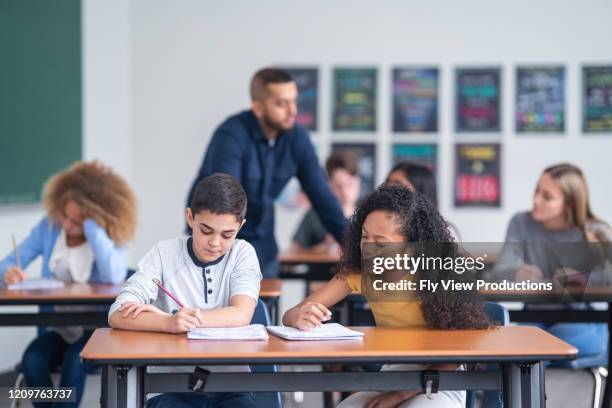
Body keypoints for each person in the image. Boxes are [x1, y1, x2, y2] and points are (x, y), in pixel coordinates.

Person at [283, 183, 494, 408]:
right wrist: (298, 316)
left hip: (441, 377)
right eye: (364, 237)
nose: (368, 248)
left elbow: (457, 355)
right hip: (395, 373)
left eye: (381, 242)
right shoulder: (359, 274)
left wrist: (399, 396)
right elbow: (290, 315)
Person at [109, 173, 261, 408]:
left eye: (227, 235)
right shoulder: (163, 254)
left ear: (240, 226)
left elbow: (241, 314)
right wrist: (168, 324)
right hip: (171, 388)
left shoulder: (243, 254)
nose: (215, 242)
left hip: (232, 386)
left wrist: (172, 318)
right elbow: (118, 313)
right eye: (206, 230)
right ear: (190, 217)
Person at [0, 160, 137, 408]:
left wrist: (94, 229)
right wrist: (8, 272)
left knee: (77, 362)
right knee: (33, 360)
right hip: (57, 328)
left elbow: (114, 276)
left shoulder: (104, 235)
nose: (66, 225)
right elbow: (6, 263)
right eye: (65, 215)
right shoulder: (49, 227)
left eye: (77, 221)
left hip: (96, 330)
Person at [186, 68, 347, 277]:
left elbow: (324, 199)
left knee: (263, 307)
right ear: (258, 107)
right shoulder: (231, 135)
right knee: (217, 308)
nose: (293, 111)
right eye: (282, 103)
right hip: (216, 244)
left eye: (294, 101)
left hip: (262, 249)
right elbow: (223, 200)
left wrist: (358, 249)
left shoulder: (297, 140)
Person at [493, 163, 612, 359]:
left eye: (547, 197)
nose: (536, 200)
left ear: (570, 204)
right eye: (536, 191)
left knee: (538, 349)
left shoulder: (595, 230)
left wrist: (584, 278)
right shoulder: (521, 222)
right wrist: (515, 272)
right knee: (513, 350)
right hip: (533, 316)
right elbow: (500, 270)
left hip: (580, 320)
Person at [292, 150, 360, 253]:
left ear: (358, 182)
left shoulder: (370, 215)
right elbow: (293, 251)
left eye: (349, 184)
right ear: (328, 185)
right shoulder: (314, 214)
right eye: (338, 186)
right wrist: (323, 248)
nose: (345, 192)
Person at [387, 161, 460, 241]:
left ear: (420, 189)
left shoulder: (443, 231)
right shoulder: (383, 223)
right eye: (387, 182)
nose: (388, 188)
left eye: (398, 183)